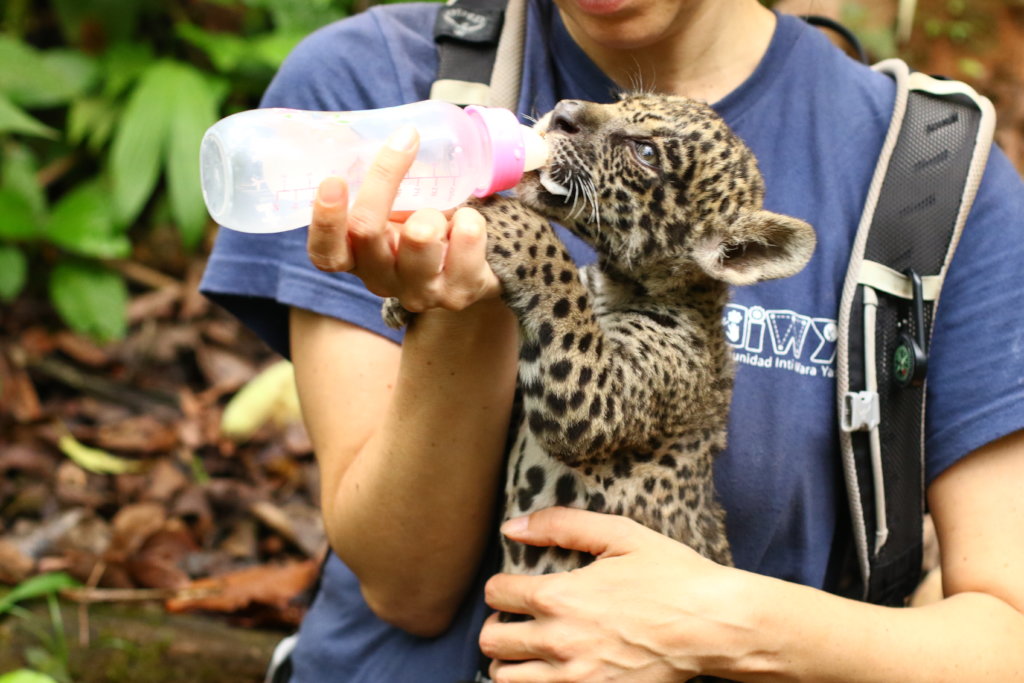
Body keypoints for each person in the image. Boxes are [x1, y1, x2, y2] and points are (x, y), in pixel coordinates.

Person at [199, 0, 1024, 679]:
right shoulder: (371, 83)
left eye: (637, 144)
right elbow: (405, 586)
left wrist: (723, 623)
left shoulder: (932, 176)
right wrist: (461, 308)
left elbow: (1007, 640)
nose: (566, 117)